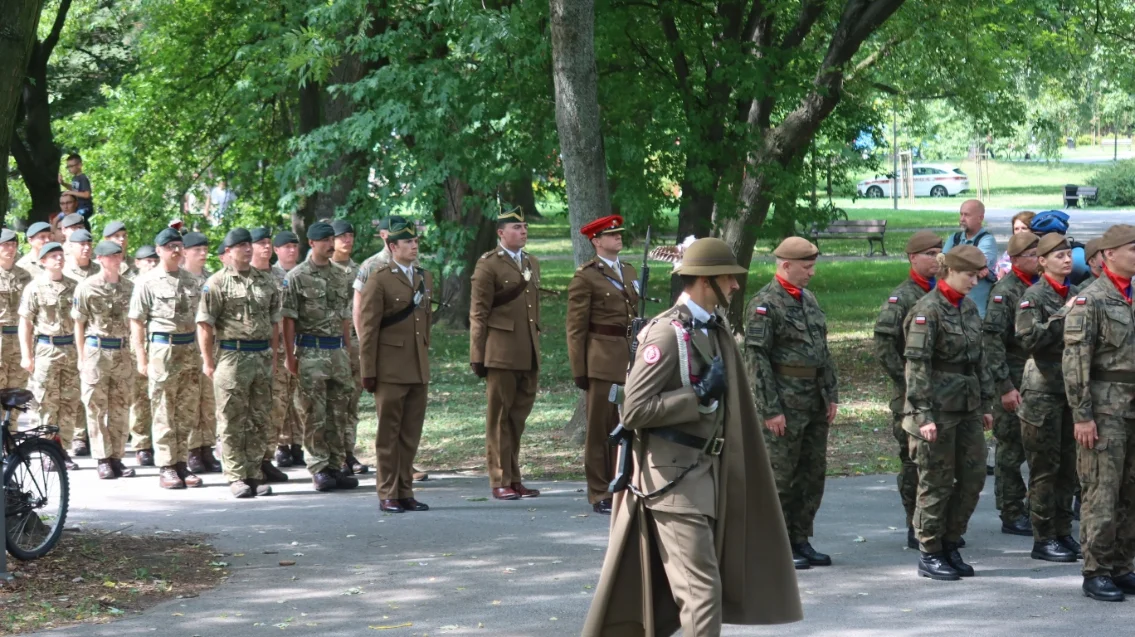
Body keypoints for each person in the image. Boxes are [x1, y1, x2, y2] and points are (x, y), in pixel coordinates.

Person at [582, 237, 801, 637]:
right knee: (701, 594)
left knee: (694, 591)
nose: (735, 286)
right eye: (728, 278)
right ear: (706, 281)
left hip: (705, 474)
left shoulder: (710, 328)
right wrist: (696, 395)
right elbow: (633, 411)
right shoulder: (667, 334)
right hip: (674, 481)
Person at [902, 245, 995, 581]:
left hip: (967, 406)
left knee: (973, 478)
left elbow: (979, 360)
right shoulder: (927, 311)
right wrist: (922, 415)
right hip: (937, 408)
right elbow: (917, 366)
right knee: (936, 481)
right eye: (969, 274)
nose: (974, 281)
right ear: (950, 271)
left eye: (977, 275)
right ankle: (929, 550)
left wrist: (985, 404)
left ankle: (950, 541)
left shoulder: (968, 308)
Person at [745, 237, 838, 570]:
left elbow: (822, 352)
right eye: (806, 267)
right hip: (784, 402)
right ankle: (776, 543)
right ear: (785, 265)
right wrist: (770, 409)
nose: (811, 273)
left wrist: (831, 394)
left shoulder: (808, 300)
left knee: (811, 474)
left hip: (812, 401)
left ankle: (800, 538)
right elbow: (757, 361)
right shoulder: (765, 304)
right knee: (781, 477)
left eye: (813, 266)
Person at [1063, 224, 1135, 602]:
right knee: (1100, 494)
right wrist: (1082, 415)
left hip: (1132, 409)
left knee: (1130, 493)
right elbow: (1076, 362)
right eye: (1132, 248)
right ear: (1108, 255)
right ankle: (1097, 570)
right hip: (1104, 410)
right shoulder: (1090, 301)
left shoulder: (1132, 296)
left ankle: (1123, 566)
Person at [197, 228, 282, 499]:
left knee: (259, 418)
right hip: (232, 356)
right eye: (241, 245)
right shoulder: (217, 282)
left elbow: (274, 321)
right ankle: (236, 476)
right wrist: (208, 361)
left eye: (250, 245)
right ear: (229, 251)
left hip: (261, 355)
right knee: (232, 418)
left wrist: (275, 353)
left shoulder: (266, 281)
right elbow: (205, 324)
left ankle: (255, 472)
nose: (247, 249)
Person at [873, 230, 942, 549]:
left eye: (940, 251)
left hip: (943, 394)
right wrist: (906, 381)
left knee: (941, 464)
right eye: (929, 253)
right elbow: (884, 344)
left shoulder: (944, 294)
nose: (936, 258)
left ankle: (936, 523)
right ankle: (914, 524)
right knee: (913, 462)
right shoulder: (902, 297)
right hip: (910, 397)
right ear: (913, 258)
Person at [1015, 233, 1082, 563]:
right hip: (1042, 388)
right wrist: (1062, 315)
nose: (1067, 260)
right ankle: (1043, 537)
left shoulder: (1076, 293)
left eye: (1069, 254)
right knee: (1045, 467)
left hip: (1072, 388)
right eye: (1059, 256)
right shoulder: (1033, 297)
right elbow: (1029, 339)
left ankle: (1062, 531)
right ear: (1042, 262)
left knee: (1068, 467)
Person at [566, 215, 639, 515]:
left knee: (627, 425)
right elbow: (576, 329)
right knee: (601, 430)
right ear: (596, 241)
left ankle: (623, 483)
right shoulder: (586, 277)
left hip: (630, 358)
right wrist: (580, 370)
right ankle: (599, 492)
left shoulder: (630, 270)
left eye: (620, 233)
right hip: (601, 360)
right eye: (611, 235)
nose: (618, 238)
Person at [358, 221, 432, 513]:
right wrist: (368, 372)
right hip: (389, 369)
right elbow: (368, 329)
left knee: (410, 434)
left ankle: (405, 490)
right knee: (388, 435)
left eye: (415, 241)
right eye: (408, 242)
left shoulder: (424, 277)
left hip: (416, 367)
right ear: (392, 247)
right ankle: (387, 492)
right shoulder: (379, 279)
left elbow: (423, 324)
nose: (414, 246)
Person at [469, 206, 542, 501]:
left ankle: (514, 477)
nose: (523, 231)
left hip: (527, 352)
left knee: (517, 419)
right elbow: (478, 313)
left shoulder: (532, 262)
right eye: (516, 227)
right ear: (501, 233)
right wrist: (477, 354)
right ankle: (500, 479)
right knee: (499, 418)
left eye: (525, 226)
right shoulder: (488, 265)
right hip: (499, 352)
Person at [281, 222, 358, 492]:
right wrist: (290, 356)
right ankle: (319, 467)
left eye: (331, 239)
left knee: (339, 411)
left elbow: (345, 317)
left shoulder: (341, 275)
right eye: (323, 240)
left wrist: (347, 350)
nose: (329, 243)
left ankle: (337, 465)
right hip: (311, 350)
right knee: (315, 412)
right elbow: (288, 320)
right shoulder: (297, 277)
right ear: (311, 244)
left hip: (337, 350)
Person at [129, 228, 204, 490]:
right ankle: (166, 466)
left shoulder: (192, 281)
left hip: (189, 351)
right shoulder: (147, 282)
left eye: (178, 245)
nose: (175, 250)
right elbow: (137, 322)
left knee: (186, 411)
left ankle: (182, 462)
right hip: (163, 350)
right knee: (162, 410)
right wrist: (141, 358)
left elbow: (202, 321)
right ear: (159, 250)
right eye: (169, 246)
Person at [982, 231, 1040, 537]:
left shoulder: (1041, 287)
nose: (1038, 259)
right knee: (1011, 449)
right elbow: (993, 341)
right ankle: (1011, 510)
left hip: (1040, 380)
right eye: (1032, 255)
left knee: (1040, 448)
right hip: (1014, 379)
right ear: (1016, 259)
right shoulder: (1005, 291)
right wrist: (1004, 386)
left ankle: (1036, 508)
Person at [72, 240, 135, 480]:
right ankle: (102, 458)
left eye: (119, 255)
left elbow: (135, 323)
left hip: (122, 350)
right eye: (111, 256)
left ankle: (117, 457)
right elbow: (79, 324)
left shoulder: (130, 287)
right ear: (100, 259)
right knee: (96, 407)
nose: (117, 259)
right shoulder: (86, 287)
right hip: (96, 351)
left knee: (120, 407)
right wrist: (80, 357)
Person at [18, 242, 81, 470]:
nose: (58, 259)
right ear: (43, 261)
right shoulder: (34, 288)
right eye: (53, 256)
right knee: (46, 402)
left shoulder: (75, 287)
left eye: (61, 255)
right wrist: (27, 355)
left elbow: (81, 322)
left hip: (70, 349)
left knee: (69, 402)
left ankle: (62, 449)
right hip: (46, 348)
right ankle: (46, 450)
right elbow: (25, 323)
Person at [180, 232, 222, 474]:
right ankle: (192, 450)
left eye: (205, 249)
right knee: (190, 401)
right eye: (197, 250)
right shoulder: (181, 280)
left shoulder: (212, 279)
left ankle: (207, 447)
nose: (203, 253)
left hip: (210, 345)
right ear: (185, 251)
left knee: (209, 399)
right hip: (186, 348)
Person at [330, 219, 368, 475]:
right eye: (342, 236)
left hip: (357, 343)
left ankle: (349, 452)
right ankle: (334, 455)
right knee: (334, 403)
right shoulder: (322, 270)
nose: (347, 240)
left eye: (351, 235)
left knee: (352, 401)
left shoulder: (361, 270)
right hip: (331, 344)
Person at [269, 230, 303, 467]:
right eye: (286, 247)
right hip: (278, 344)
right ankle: (282, 445)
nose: (291, 250)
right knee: (280, 397)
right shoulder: (270, 275)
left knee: (299, 397)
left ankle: (298, 444)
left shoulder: (304, 273)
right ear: (276, 250)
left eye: (294, 246)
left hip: (302, 342)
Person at [129, 245, 159, 466]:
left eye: (154, 260)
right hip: (138, 346)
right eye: (146, 261)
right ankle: (141, 444)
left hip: (160, 347)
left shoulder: (159, 283)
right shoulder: (132, 285)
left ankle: (160, 443)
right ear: (137, 263)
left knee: (160, 398)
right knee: (140, 398)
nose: (151, 264)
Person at [943, 199, 999, 318]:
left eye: (967, 215)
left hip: (976, 312)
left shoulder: (987, 240)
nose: (962, 219)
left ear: (980, 218)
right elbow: (942, 263)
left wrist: (953, 261)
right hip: (951, 309)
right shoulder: (954, 238)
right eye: (961, 214)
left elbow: (977, 264)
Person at [0, 229, 33, 430]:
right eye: (5, 245)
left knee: (14, 393)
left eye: (13, 245)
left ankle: (9, 440)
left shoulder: (25, 276)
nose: (10, 249)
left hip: (19, 339)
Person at [994, 211, 1037, 279]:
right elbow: (999, 268)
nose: (1020, 231)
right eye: (1016, 229)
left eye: (1024, 228)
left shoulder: (1041, 248)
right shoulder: (1011, 250)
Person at [59, 153, 94, 220]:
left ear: (79, 165)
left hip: (85, 208)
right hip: (78, 207)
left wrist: (70, 193)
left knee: (75, 219)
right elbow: (75, 189)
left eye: (71, 166)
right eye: (68, 167)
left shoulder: (83, 178)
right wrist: (63, 183)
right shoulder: (75, 178)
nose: (69, 169)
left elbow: (87, 194)